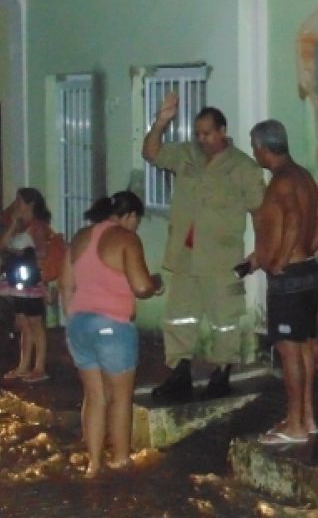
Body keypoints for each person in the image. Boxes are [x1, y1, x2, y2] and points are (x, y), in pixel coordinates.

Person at [142, 92, 265, 401]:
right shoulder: (187, 154)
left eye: (207, 133)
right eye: (198, 133)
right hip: (184, 255)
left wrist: (259, 253)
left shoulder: (243, 167)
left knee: (225, 319)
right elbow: (151, 153)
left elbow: (260, 211)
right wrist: (161, 122)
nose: (202, 139)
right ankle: (179, 373)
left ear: (222, 131)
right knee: (179, 316)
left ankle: (221, 373)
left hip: (222, 259)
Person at [61, 191, 163, 478]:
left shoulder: (80, 237)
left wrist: (73, 321)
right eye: (137, 220)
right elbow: (141, 286)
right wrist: (156, 284)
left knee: (94, 396)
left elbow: (65, 285)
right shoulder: (126, 239)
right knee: (120, 398)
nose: (136, 226)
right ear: (129, 216)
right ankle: (120, 459)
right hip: (113, 327)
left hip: (79, 325)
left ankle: (93, 463)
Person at [249, 120, 318, 445]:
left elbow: (295, 220)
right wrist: (309, 249)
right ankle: (306, 417)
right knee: (303, 346)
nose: (254, 152)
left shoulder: (283, 181)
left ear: (263, 148)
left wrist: (282, 261)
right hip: (308, 270)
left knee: (288, 350)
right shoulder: (302, 176)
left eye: (254, 147)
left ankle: (295, 425)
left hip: (291, 278)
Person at [0, 188, 53, 383]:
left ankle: (39, 367)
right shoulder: (20, 226)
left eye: (20, 201)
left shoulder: (37, 226)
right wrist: (14, 224)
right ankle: (23, 365)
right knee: (23, 324)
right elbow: (3, 245)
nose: (16, 204)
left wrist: (43, 284)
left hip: (32, 283)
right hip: (18, 281)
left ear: (30, 204)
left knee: (35, 324)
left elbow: (42, 254)